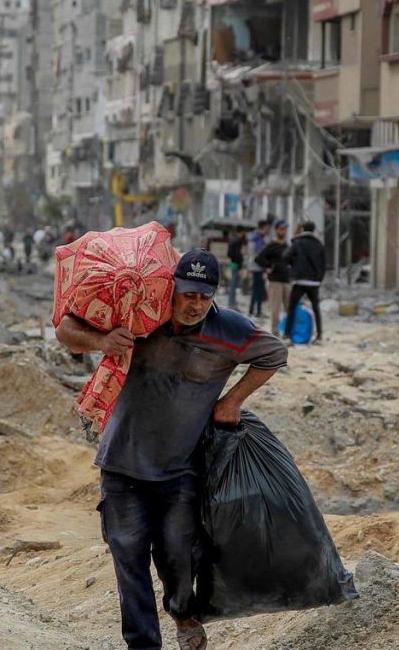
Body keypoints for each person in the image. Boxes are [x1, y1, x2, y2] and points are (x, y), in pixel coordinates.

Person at [54, 249, 288, 650]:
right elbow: (64, 329)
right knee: (129, 557)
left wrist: (231, 402)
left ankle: (183, 612)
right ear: (172, 287)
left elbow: (274, 354)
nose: (195, 303)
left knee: (178, 553)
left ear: (214, 295)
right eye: (188, 293)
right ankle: (143, 643)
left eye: (205, 295)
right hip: (122, 463)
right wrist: (102, 340)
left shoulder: (229, 329)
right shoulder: (140, 315)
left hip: (180, 468)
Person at [283, 220, 326, 344]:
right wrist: (319, 279)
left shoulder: (297, 242)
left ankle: (287, 335)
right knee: (316, 308)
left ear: (302, 229)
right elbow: (323, 264)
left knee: (292, 307)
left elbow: (286, 257)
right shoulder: (319, 244)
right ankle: (319, 336)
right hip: (314, 282)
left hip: (300, 280)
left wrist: (294, 268)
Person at [254, 220, 292, 337]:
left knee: (289, 308)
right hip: (275, 281)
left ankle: (287, 332)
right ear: (276, 230)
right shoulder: (271, 245)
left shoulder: (287, 245)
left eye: (285, 229)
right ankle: (275, 333)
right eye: (281, 229)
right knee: (275, 309)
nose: (283, 231)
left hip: (287, 280)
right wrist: (269, 266)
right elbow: (258, 259)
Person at [247, 220, 269, 318]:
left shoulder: (256, 238)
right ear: (262, 228)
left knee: (257, 290)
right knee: (258, 290)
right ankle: (256, 311)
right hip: (258, 267)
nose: (267, 230)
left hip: (258, 267)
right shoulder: (257, 239)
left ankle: (253, 310)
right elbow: (258, 254)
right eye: (266, 228)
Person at [226, 228, 246, 310]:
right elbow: (238, 255)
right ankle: (232, 303)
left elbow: (229, 254)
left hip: (232, 263)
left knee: (232, 283)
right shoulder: (238, 241)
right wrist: (240, 267)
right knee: (234, 284)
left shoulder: (231, 240)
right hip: (237, 264)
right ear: (239, 232)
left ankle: (231, 302)